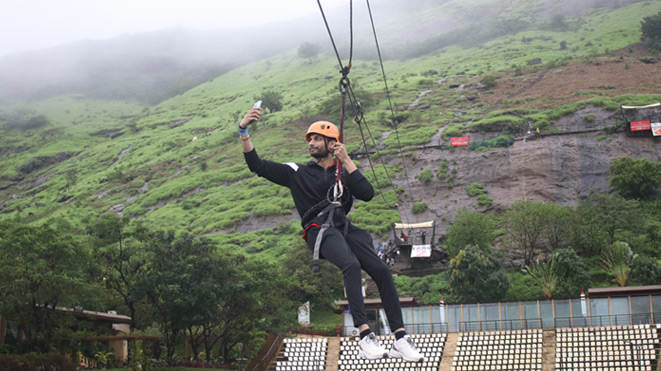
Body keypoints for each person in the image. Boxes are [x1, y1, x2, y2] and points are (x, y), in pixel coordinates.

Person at [238, 107, 423, 362]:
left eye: (316, 139)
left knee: (380, 270)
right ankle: (365, 335)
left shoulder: (343, 172)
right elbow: (256, 165)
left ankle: (400, 338)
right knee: (351, 265)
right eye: (310, 139)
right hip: (318, 228)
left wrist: (346, 160)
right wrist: (244, 131)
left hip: (342, 226)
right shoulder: (297, 172)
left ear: (332, 143)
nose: (311, 144)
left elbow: (367, 194)